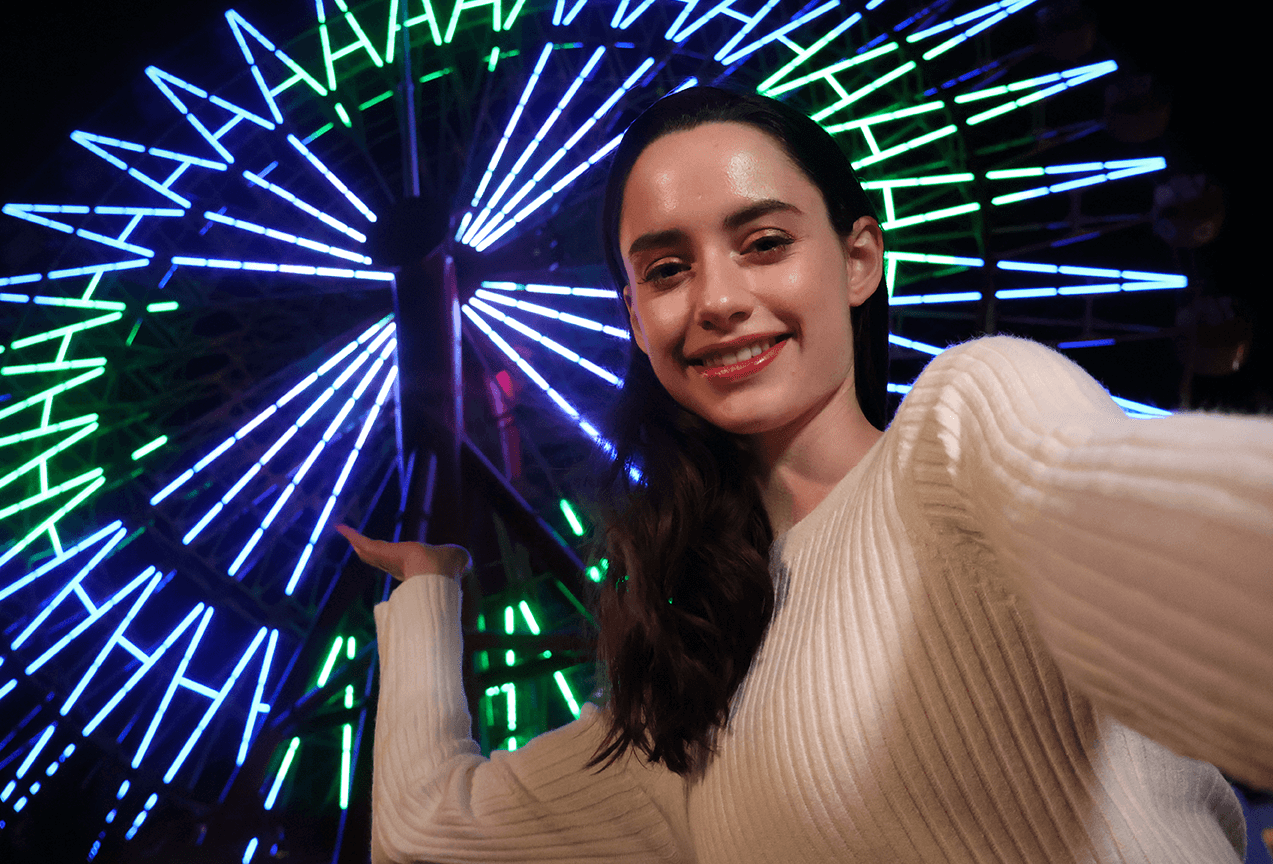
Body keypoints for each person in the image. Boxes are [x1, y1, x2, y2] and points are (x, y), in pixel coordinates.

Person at [342, 86, 1273, 863]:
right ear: (632, 313)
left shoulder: (966, 424)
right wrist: (432, 592)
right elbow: (422, 827)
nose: (717, 300)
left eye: (765, 243)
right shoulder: (685, 688)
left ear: (859, 258)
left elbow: (1162, 537)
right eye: (667, 269)